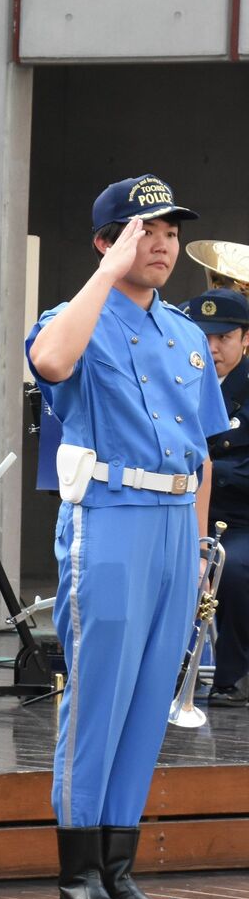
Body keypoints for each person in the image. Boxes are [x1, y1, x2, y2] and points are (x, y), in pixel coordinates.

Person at [26, 174, 227, 899]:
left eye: (171, 233)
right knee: (99, 694)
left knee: (148, 700)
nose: (164, 245)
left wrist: (201, 546)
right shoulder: (76, 316)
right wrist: (106, 276)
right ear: (107, 243)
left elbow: (202, 452)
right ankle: (78, 877)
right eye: (147, 232)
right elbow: (51, 363)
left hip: (175, 521)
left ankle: (118, 870)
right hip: (111, 512)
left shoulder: (185, 333)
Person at [182, 288, 249, 705]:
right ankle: (166, 670)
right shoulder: (179, 379)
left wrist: (209, 471)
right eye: (204, 336)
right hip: (179, 511)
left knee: (236, 569)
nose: (211, 347)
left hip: (238, 519)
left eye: (223, 337)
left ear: (246, 338)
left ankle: (234, 675)